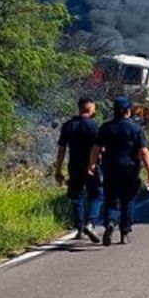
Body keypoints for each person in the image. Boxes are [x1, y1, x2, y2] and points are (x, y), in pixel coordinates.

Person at [87, 96, 149, 246]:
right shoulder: (136, 129)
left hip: (110, 169)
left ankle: (110, 222)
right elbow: (144, 151)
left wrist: (91, 165)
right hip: (130, 169)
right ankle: (125, 232)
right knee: (128, 200)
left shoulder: (105, 127)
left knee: (111, 199)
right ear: (128, 111)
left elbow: (96, 148)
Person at [54, 97, 102, 242]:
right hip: (92, 165)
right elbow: (100, 148)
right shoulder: (94, 126)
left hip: (74, 166)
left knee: (77, 196)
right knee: (97, 194)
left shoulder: (68, 126)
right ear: (89, 109)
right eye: (94, 107)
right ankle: (91, 222)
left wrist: (58, 170)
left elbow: (61, 149)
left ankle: (79, 228)